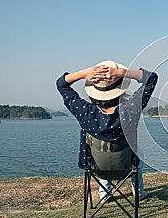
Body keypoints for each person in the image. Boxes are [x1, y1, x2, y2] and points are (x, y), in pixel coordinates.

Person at [56, 60, 158, 201]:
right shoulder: (130, 110)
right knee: (137, 152)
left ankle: (104, 194)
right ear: (120, 89)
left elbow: (61, 84)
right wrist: (122, 73)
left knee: (100, 150)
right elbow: (152, 77)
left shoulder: (85, 112)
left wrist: (84, 73)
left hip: (96, 168)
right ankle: (139, 193)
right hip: (127, 167)